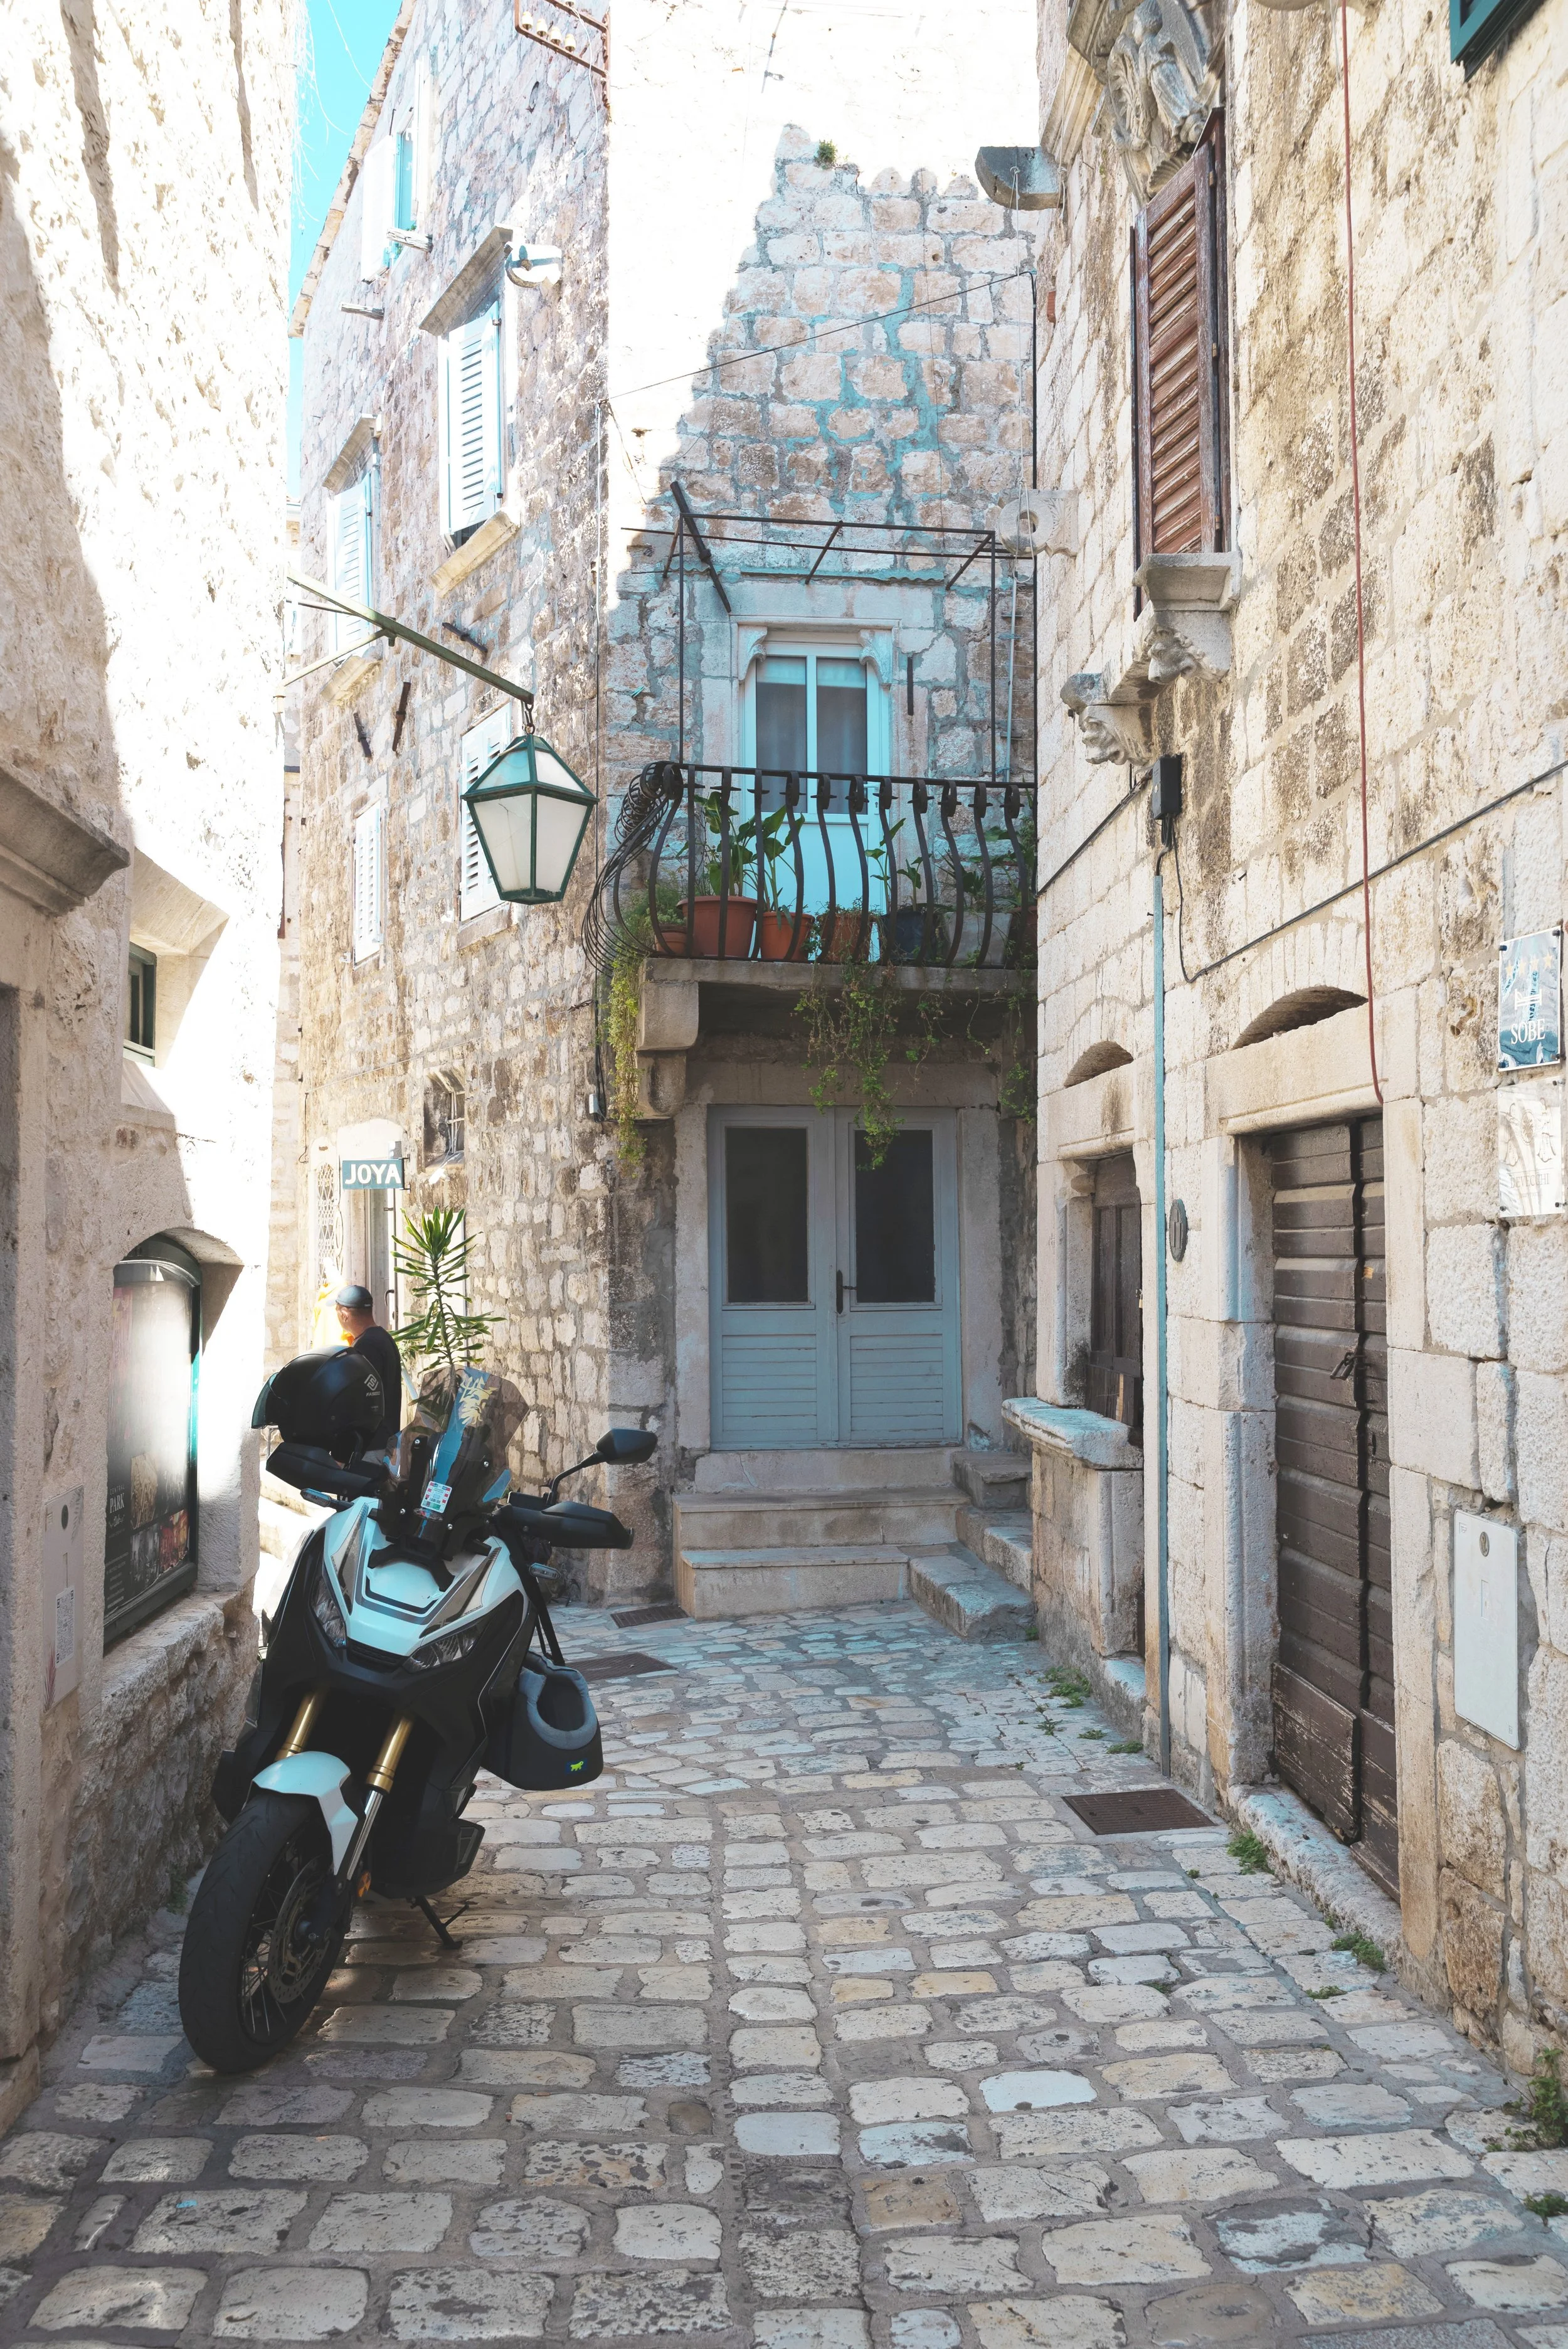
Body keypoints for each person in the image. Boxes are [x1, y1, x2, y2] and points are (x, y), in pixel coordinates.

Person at [333, 1283, 403, 1450]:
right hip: (384, 1439)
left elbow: (362, 1401)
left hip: (371, 1446)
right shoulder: (382, 1337)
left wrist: (343, 1451)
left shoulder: (366, 1346)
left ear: (344, 1315)